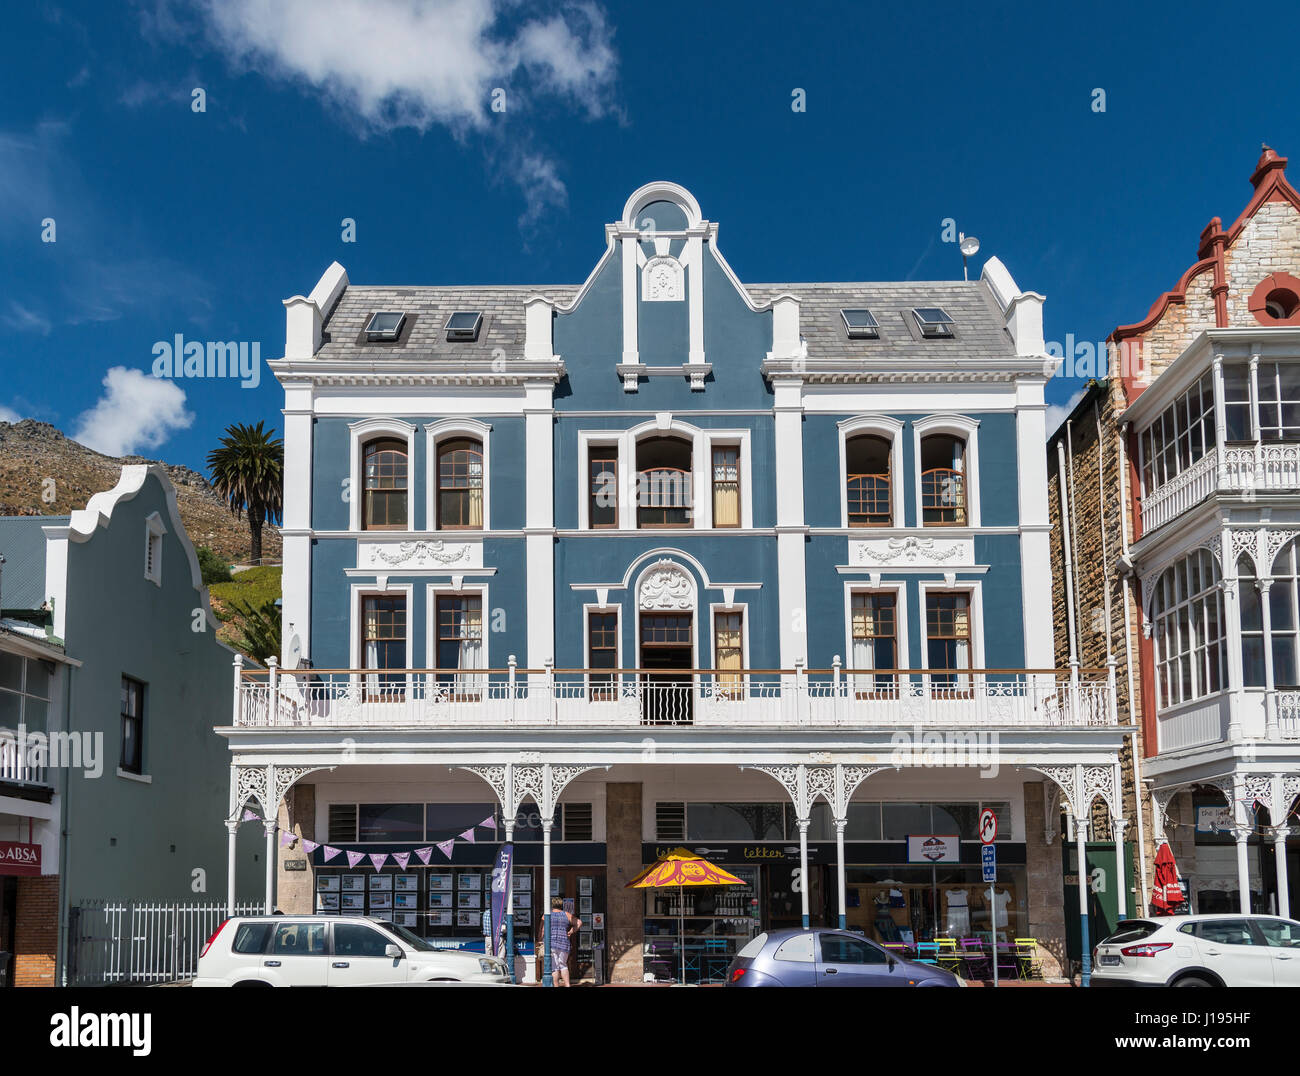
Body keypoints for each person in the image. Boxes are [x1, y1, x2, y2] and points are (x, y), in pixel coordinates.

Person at [546, 896, 582, 987]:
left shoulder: (547, 914)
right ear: (561, 905)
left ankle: (556, 985)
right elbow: (579, 923)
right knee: (563, 965)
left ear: (552, 905)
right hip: (564, 943)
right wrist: (571, 931)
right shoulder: (566, 914)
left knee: (554, 967)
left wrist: (540, 939)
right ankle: (567, 985)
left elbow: (542, 930)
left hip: (552, 943)